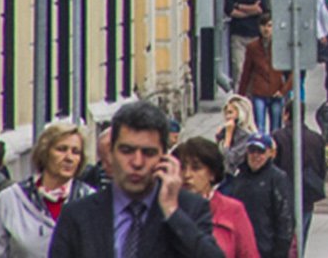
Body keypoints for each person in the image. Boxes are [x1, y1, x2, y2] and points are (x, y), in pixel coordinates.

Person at [49, 101, 224, 258]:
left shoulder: (189, 210)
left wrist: (172, 212)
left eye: (148, 153)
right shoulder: (78, 216)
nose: (137, 162)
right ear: (110, 154)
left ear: (164, 157)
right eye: (127, 150)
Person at [0, 119, 94, 258]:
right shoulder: (11, 199)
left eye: (76, 152)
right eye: (61, 149)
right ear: (45, 153)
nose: (69, 158)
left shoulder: (90, 201)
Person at [169, 138, 256, 258]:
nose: (187, 175)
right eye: (182, 168)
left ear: (212, 173)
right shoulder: (168, 209)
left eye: (196, 168)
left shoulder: (233, 210)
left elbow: (249, 254)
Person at [219, 136, 289, 258]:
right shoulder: (239, 175)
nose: (255, 156)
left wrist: (280, 252)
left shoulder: (277, 178)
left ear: (270, 153)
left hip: (265, 247)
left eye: (260, 151)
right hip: (240, 246)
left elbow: (284, 218)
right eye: (252, 151)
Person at [270, 104, 324, 249]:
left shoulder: (278, 137)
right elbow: (322, 170)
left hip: (284, 196)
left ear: (286, 114)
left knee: (284, 241)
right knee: (300, 241)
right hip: (307, 195)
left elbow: (272, 167)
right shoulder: (316, 139)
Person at [235, 18, 289, 136]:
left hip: (276, 92)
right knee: (259, 127)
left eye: (269, 26)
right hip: (259, 91)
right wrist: (240, 95)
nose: (266, 29)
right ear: (259, 27)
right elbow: (246, 72)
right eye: (263, 26)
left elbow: (291, 72)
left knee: (276, 128)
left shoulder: (280, 47)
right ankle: (261, 151)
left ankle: (274, 152)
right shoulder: (253, 47)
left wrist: (284, 90)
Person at [223, 0, 269, 82]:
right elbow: (229, 10)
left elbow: (261, 9)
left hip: (254, 35)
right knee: (238, 68)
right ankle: (240, 95)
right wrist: (251, 9)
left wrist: (238, 6)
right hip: (238, 35)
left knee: (256, 68)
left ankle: (252, 95)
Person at [214, 97, 257, 174]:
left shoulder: (245, 135)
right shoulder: (227, 130)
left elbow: (230, 160)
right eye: (226, 113)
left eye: (230, 113)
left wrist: (228, 137)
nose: (227, 117)